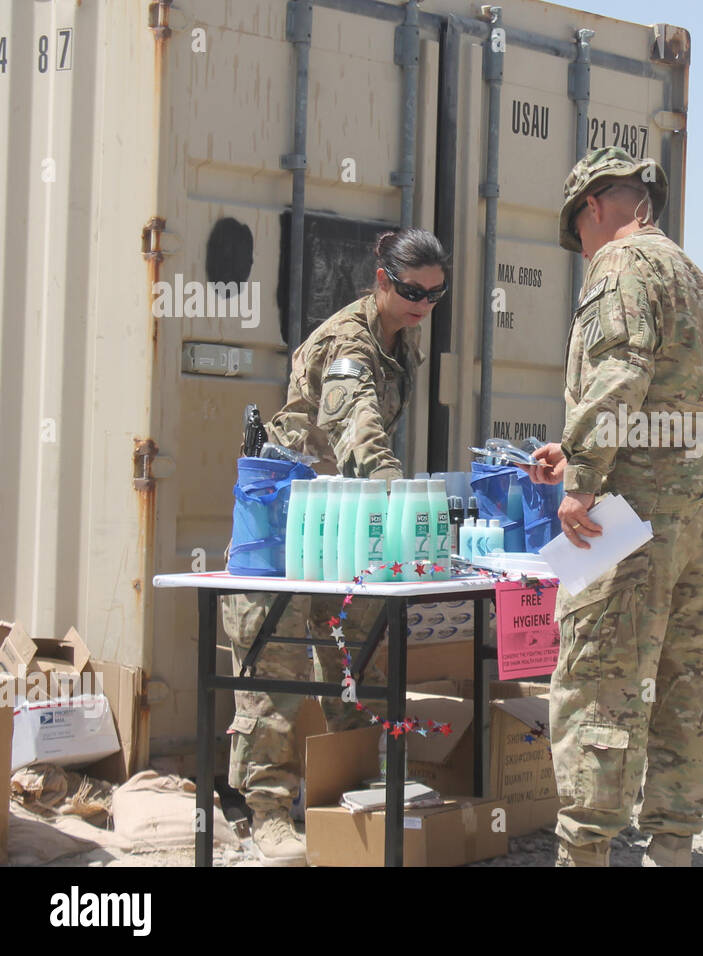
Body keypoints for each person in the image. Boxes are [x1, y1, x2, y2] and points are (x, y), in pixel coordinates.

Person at [525, 147, 703, 867]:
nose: (580, 252)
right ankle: (671, 848)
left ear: (593, 208)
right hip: (702, 507)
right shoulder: (693, 274)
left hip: (633, 511)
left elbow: (620, 369)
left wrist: (582, 476)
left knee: (599, 676)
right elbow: (685, 395)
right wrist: (576, 446)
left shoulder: (619, 265)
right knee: (686, 672)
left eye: (575, 236)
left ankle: (585, 853)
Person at [221, 228, 449, 864]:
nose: (422, 304)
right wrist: (401, 503)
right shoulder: (351, 342)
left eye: (435, 294)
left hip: (340, 520)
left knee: (357, 661)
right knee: (277, 669)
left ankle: (351, 793)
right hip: (288, 520)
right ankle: (265, 812)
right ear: (382, 279)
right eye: (410, 291)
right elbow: (358, 429)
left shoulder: (400, 336)